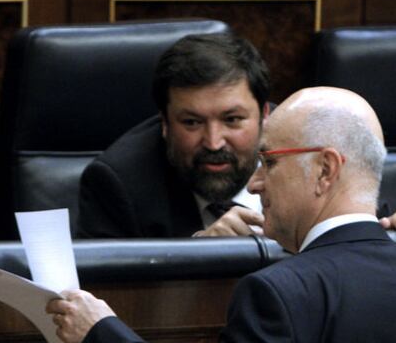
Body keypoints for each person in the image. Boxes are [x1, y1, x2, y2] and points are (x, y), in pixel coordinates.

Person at [48, 86, 396, 343]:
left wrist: (102, 337)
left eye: (269, 162)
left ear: (325, 169)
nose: (256, 182)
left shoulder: (279, 292)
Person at [76, 32, 271, 238]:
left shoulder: (303, 152)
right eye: (192, 122)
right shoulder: (119, 184)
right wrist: (202, 256)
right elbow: (109, 270)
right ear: (165, 124)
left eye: (232, 120)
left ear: (265, 115)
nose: (213, 143)